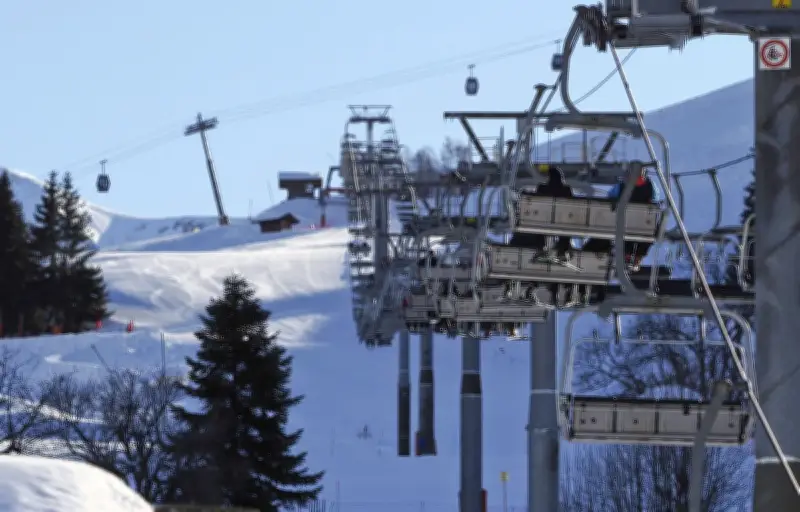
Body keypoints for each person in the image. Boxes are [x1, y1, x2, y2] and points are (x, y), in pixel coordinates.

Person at [583, 174, 657, 269]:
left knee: (611, 229)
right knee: (646, 228)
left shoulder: (623, 186)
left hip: (623, 224)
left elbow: (610, 199)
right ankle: (632, 256)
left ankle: (590, 256)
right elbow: (654, 205)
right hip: (634, 226)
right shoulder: (650, 187)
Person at [509, 168, 574, 256]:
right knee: (566, 226)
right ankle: (562, 248)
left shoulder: (542, 188)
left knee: (538, 223)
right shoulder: (566, 189)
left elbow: (536, 203)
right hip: (561, 220)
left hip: (543, 220)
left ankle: (541, 247)